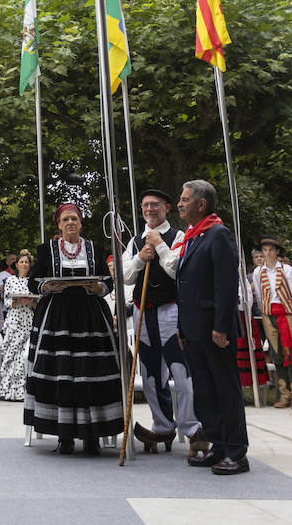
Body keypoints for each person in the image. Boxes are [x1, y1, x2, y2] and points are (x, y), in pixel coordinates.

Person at [25, 203, 123, 456]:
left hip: (91, 317)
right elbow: (33, 281)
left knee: (91, 371)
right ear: (58, 224)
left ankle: (93, 436)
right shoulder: (46, 250)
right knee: (61, 372)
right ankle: (64, 436)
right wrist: (48, 288)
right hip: (57, 317)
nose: (71, 223)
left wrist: (100, 288)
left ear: (81, 223)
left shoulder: (94, 249)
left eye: (75, 219)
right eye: (66, 219)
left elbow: (108, 281)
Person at [175, 180, 249, 476]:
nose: (180, 204)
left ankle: (236, 451)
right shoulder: (193, 237)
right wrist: (183, 328)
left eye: (184, 199)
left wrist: (221, 327)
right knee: (205, 391)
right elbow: (185, 287)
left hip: (215, 331)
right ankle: (217, 444)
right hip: (194, 330)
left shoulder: (218, 234)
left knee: (225, 390)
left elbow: (225, 286)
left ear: (201, 204)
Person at [122, 187, 203, 454]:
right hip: (143, 310)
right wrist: (140, 258)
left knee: (181, 373)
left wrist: (159, 245)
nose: (149, 210)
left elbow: (176, 269)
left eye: (155, 205)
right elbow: (125, 276)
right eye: (145, 205)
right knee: (150, 373)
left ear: (167, 208)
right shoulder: (135, 241)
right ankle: (162, 425)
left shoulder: (179, 236)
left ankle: (192, 428)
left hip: (171, 310)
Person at [252, 237, 292, 409]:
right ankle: (284, 393)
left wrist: (291, 310)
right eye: (265, 250)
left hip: (286, 313)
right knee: (276, 354)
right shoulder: (258, 272)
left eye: (270, 250)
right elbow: (259, 296)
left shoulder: (287, 270)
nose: (267, 253)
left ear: (276, 252)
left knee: (290, 352)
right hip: (269, 315)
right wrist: (265, 309)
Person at [0, 252, 35, 402]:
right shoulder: (10, 280)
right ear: (17, 264)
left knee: (26, 354)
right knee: (13, 354)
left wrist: (30, 302)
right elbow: (7, 301)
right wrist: (17, 301)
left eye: (27, 262)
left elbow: (37, 302)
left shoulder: (33, 281)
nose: (24, 264)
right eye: (22, 262)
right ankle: (10, 390)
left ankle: (26, 390)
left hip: (28, 319)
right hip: (14, 320)